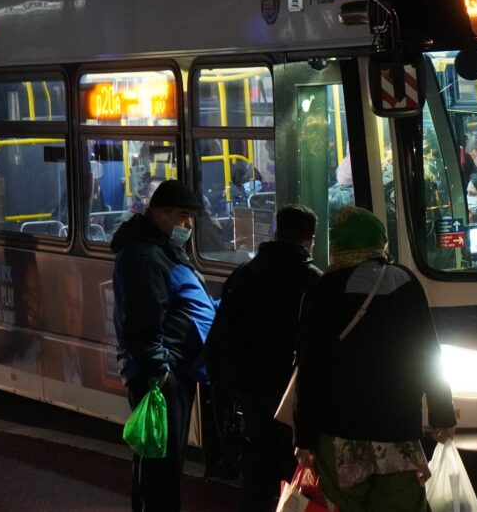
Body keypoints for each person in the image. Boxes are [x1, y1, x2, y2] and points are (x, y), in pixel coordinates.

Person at [294, 207, 457, 512]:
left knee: (344, 506)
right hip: (396, 428)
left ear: (337, 245)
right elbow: (427, 354)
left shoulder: (322, 289)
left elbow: (311, 368)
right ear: (379, 242)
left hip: (340, 432)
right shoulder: (405, 282)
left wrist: (304, 436)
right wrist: (441, 414)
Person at [205, 204, 322, 512]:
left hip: (252, 392)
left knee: (256, 473)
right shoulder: (313, 282)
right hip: (293, 395)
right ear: (309, 240)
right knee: (295, 475)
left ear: (276, 232)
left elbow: (222, 334)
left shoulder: (244, 274)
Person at [111, 179, 217, 512]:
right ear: (159, 215)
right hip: (160, 374)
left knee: (161, 457)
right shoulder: (145, 256)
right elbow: (142, 320)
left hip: (171, 368)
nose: (189, 224)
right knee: (161, 462)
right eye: (183, 215)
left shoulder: (160, 248)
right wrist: (160, 370)